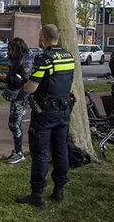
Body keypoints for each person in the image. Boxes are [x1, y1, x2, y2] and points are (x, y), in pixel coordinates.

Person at [16, 24, 76, 209]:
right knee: (61, 150)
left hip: (45, 112)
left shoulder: (44, 59)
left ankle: (37, 193)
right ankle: (59, 189)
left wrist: (24, 83)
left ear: (43, 39)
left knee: (40, 152)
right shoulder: (69, 57)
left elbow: (31, 87)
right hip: (64, 111)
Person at [0, 37, 34, 164]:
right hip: (17, 95)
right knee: (14, 124)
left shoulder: (26, 61)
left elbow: (22, 80)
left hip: (22, 96)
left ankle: (19, 152)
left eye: (11, 49)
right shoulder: (16, 59)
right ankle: (18, 151)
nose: (9, 52)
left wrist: (6, 78)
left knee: (15, 124)